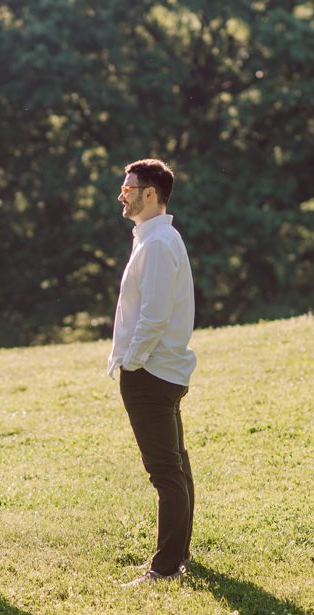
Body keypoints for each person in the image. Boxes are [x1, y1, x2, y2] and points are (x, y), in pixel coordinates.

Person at [109, 159, 197, 587]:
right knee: (175, 465)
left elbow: (155, 314)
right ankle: (179, 555)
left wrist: (133, 361)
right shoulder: (153, 237)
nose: (122, 194)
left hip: (152, 373)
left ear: (151, 194)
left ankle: (164, 568)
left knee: (165, 471)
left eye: (129, 188)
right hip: (158, 370)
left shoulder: (159, 242)